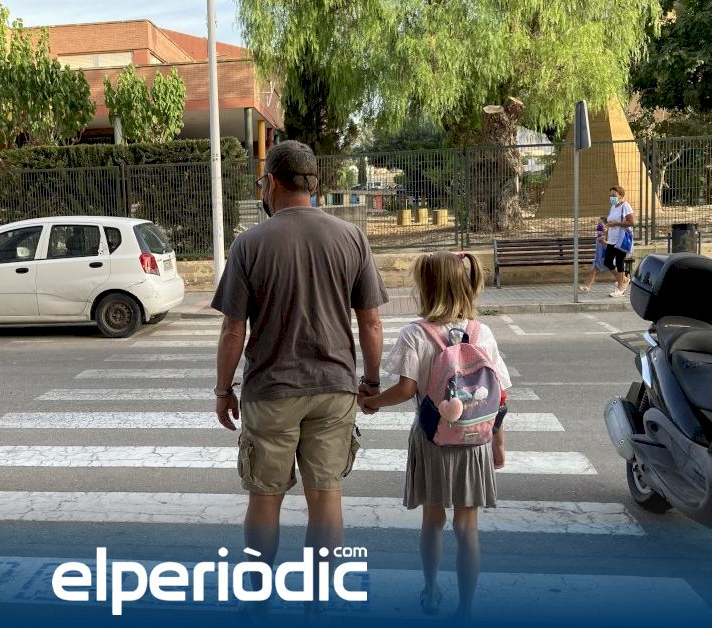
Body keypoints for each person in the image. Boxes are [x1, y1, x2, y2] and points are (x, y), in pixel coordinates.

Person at [212, 140, 389, 618]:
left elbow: (233, 330)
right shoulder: (351, 238)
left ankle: (257, 602)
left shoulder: (249, 244)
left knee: (264, 499)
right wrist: (372, 382)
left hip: (270, 392)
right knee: (325, 498)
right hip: (334, 389)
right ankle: (316, 602)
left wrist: (224, 390)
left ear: (271, 182)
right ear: (314, 184)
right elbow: (372, 323)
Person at [358, 251, 512, 623]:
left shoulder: (416, 333)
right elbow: (500, 394)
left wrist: (372, 402)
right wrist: (498, 442)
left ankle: (430, 590)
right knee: (467, 528)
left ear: (427, 288)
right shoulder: (482, 332)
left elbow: (406, 388)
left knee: (433, 522)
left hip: (432, 440)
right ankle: (466, 608)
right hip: (474, 441)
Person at [604, 186, 635, 297]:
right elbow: (610, 223)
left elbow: (632, 222)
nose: (611, 197)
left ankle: (620, 288)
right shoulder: (613, 207)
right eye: (610, 195)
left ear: (621, 196)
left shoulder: (625, 206)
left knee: (619, 262)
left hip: (621, 239)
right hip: (612, 240)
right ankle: (624, 280)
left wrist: (616, 223)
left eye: (614, 195)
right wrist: (606, 235)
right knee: (607, 261)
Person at [579, 217, 610, 293]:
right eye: (598, 223)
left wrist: (604, 241)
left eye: (600, 223)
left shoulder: (609, 233)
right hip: (598, 256)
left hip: (605, 256)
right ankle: (587, 287)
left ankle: (625, 280)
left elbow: (610, 245)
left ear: (606, 224)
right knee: (593, 270)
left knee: (614, 271)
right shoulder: (600, 233)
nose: (598, 225)